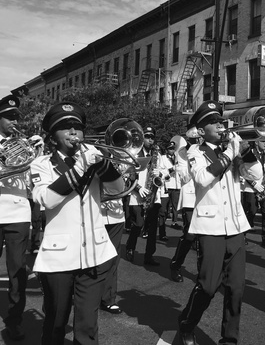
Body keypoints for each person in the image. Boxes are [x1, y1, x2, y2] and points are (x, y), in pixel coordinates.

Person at [30, 102, 125, 344]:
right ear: (53, 135)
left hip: (94, 252)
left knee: (87, 325)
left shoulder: (93, 157)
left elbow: (118, 190)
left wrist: (106, 167)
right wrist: (81, 167)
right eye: (65, 127)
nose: (74, 133)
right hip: (59, 257)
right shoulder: (41, 164)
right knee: (56, 321)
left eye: (78, 128)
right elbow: (47, 199)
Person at [177, 101, 261, 345]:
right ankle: (187, 323)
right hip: (209, 228)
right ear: (202, 130)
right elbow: (203, 178)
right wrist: (229, 154)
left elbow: (256, 176)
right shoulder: (194, 152)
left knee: (236, 289)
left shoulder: (232, 149)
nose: (220, 125)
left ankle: (229, 338)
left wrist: (246, 154)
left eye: (221, 120)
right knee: (208, 286)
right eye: (214, 122)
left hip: (235, 226)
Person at [0, 94, 42, 341]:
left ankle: (14, 320)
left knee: (18, 272)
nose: (14, 122)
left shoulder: (25, 146)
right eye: (9, 117)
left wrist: (37, 155)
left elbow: (32, 180)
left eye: (16, 117)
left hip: (18, 212)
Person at [124, 125, 163, 266]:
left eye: (152, 137)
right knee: (138, 224)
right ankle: (130, 247)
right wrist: (138, 188)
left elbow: (163, 174)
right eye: (147, 136)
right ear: (142, 138)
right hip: (138, 194)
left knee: (153, 227)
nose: (150, 140)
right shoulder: (134, 153)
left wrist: (160, 174)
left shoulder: (157, 154)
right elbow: (128, 175)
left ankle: (149, 255)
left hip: (153, 194)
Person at [169, 124, 199, 283]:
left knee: (205, 236)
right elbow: (184, 177)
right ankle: (175, 264)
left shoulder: (208, 149)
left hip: (206, 197)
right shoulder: (182, 152)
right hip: (190, 197)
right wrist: (194, 160)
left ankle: (205, 271)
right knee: (189, 234)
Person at [158, 140, 182, 241]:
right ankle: (162, 233)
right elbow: (161, 171)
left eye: (173, 149)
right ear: (167, 150)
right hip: (167, 186)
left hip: (176, 185)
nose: (172, 150)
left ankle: (175, 222)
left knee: (176, 206)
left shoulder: (178, 158)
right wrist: (171, 169)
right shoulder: (162, 158)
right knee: (163, 210)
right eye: (170, 149)